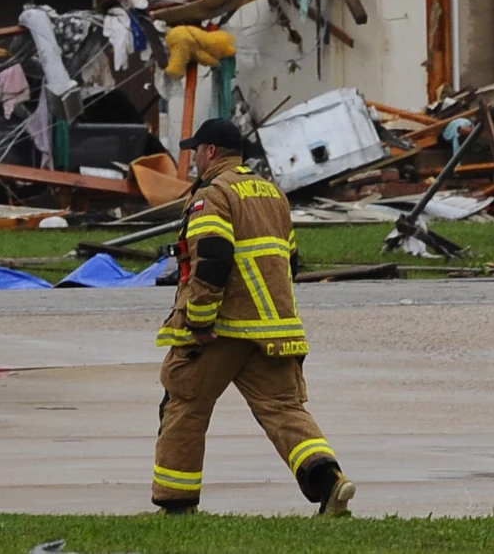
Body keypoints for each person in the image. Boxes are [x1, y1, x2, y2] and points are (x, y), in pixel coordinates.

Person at [151, 118, 354, 516]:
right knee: (283, 410)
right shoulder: (274, 194)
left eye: (196, 151)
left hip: (222, 329)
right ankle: (331, 484)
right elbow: (290, 262)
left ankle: (176, 505)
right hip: (275, 330)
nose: (193, 159)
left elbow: (213, 257)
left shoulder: (214, 194)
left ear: (211, 152)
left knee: (184, 404)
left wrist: (200, 321)